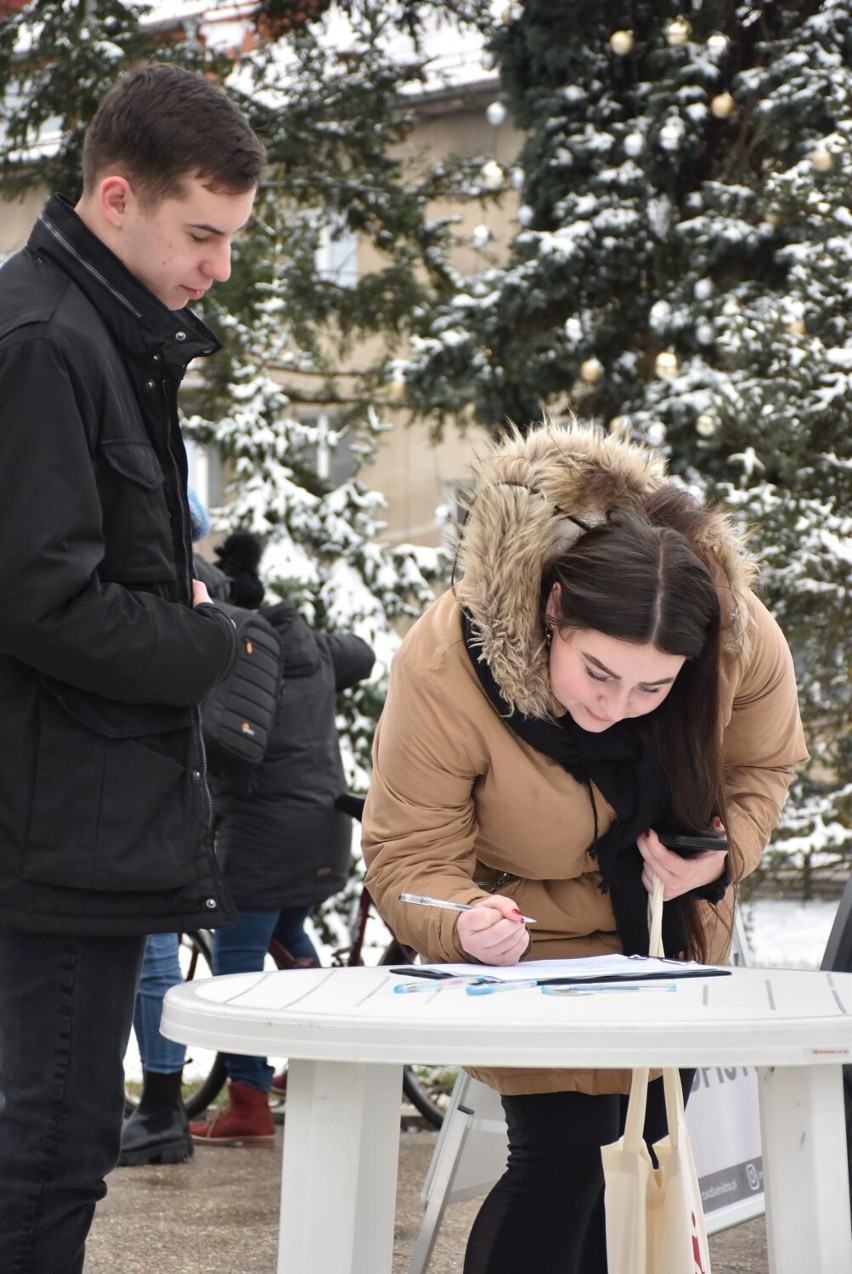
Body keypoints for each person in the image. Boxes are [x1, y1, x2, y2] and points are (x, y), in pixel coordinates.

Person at [361, 419, 807, 1274]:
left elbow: (763, 764)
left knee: (641, 1165)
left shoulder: (738, 638)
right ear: (553, 613)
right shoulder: (448, 662)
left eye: (655, 686)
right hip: (529, 947)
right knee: (566, 1157)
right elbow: (407, 856)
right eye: (597, 674)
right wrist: (465, 919)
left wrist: (722, 855)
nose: (618, 706)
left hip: (667, 941)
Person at [0, 64, 266, 1272]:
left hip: (74, 817)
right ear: (117, 197)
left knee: (54, 1153)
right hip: (48, 831)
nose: (218, 267)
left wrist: (175, 593)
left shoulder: (101, 336)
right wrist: (207, 640)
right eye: (201, 233)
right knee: (45, 1155)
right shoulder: (50, 343)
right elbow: (39, 599)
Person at [189, 532, 376, 1146]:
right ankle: (314, 1065)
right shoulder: (314, 648)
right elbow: (363, 654)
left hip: (263, 829)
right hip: (324, 826)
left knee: (237, 960)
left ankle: (249, 1100)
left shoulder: (236, 652)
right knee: (290, 936)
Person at [117, 492, 231, 1168]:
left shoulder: (187, 583)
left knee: (154, 941)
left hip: (168, 772)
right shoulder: (191, 579)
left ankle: (161, 1106)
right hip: (170, 771)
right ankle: (153, 1107)